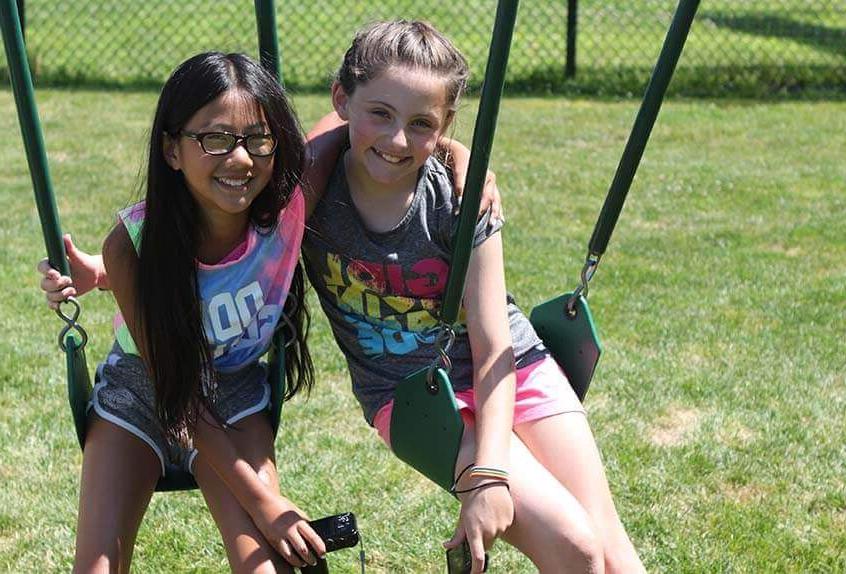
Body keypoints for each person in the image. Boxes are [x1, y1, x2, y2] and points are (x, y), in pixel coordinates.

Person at [299, 21, 646, 574]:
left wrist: (489, 474)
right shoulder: (311, 192)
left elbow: (493, 347)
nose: (396, 141)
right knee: (574, 545)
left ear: (445, 127)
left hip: (513, 370)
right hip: (412, 396)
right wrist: (486, 477)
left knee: (612, 550)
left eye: (421, 125)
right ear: (343, 99)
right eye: (380, 114)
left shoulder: (460, 200)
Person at [41, 51, 329, 573]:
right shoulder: (131, 247)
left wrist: (456, 153)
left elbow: (365, 124)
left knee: (265, 566)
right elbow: (181, 394)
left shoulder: (287, 205)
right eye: (215, 139)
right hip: (143, 391)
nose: (241, 160)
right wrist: (266, 505)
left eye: (258, 139)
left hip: (234, 390)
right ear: (173, 149)